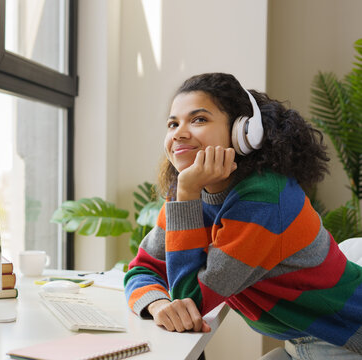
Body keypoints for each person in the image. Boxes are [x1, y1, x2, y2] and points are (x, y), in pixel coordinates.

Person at [124, 72, 362, 359]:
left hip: (342, 338)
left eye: (198, 119)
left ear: (243, 131)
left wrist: (186, 194)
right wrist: (159, 304)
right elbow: (142, 268)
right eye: (173, 123)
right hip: (303, 339)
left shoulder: (263, 198)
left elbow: (192, 300)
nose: (179, 133)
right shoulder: (189, 193)